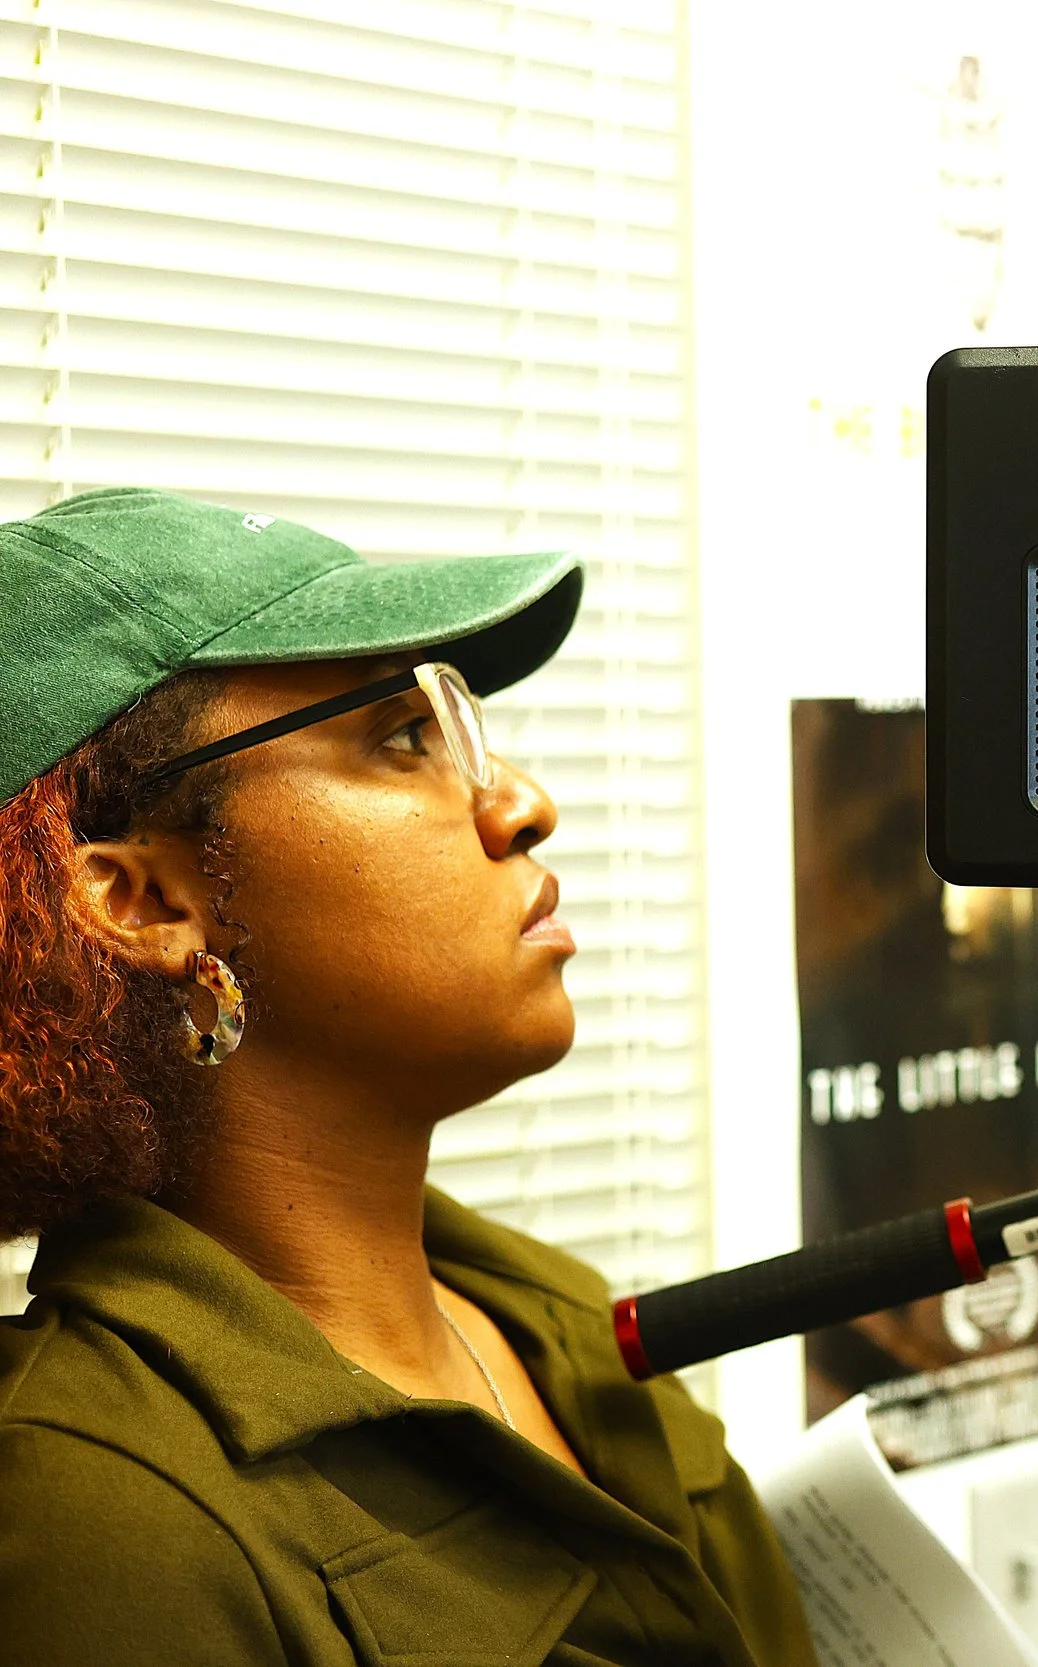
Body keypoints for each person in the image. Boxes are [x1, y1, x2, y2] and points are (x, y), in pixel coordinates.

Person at [0, 490, 811, 1665]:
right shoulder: (101, 1511)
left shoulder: (552, 1318)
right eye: (399, 736)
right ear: (144, 899)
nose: (522, 803)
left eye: (457, 724)